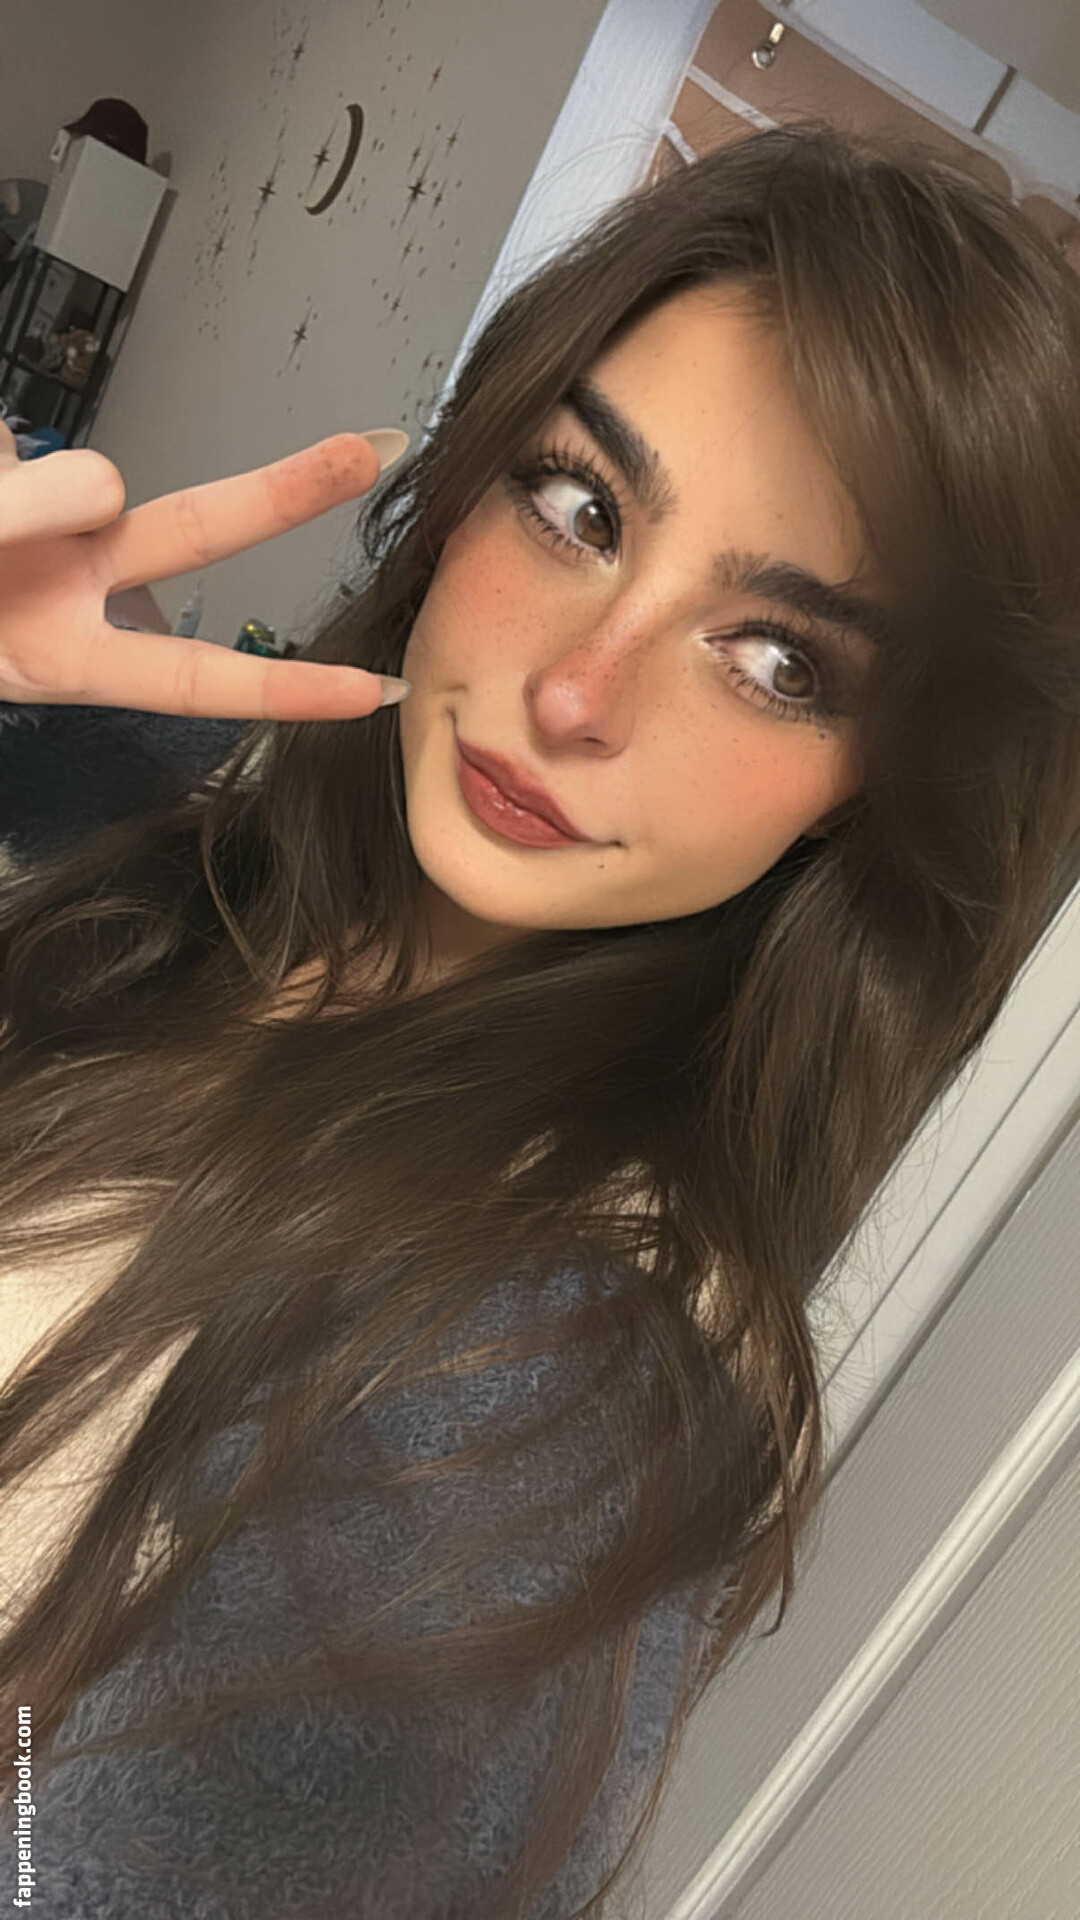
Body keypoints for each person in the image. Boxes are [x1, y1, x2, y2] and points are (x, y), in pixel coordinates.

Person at [0, 123, 1078, 1919]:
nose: (578, 692)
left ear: (878, 785)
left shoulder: (552, 1397)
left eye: (778, 656)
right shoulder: (198, 865)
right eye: (583, 508)